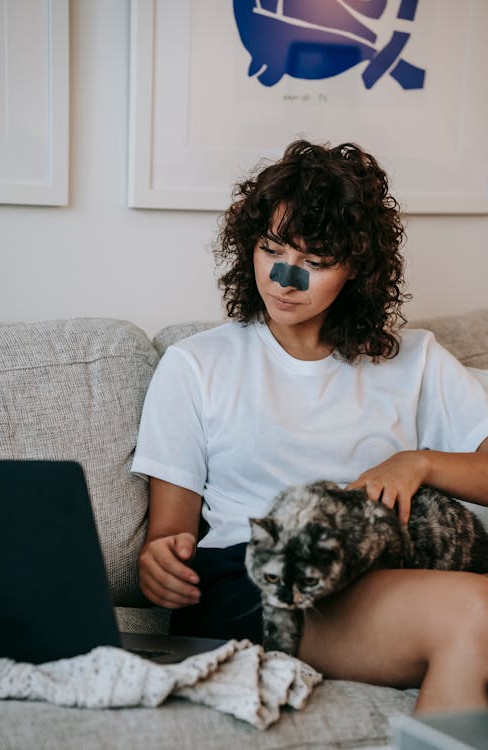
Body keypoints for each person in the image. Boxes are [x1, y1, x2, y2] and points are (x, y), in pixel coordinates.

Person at [132, 140, 488, 714]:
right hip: (256, 578)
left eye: (316, 263)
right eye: (271, 247)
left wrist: (417, 462)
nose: (283, 278)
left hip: (378, 567)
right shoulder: (198, 363)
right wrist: (160, 564)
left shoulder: (414, 359)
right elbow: (169, 536)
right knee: (478, 612)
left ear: (357, 271)